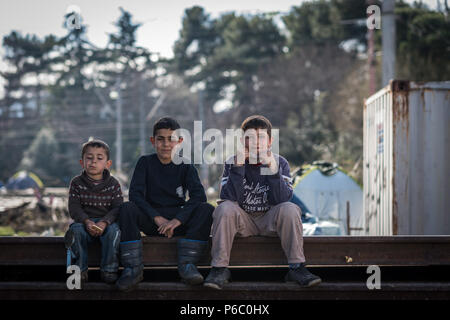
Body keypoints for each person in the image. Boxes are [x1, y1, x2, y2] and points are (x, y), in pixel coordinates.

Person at [203, 115, 322, 290]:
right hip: (243, 221)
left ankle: (297, 267)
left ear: (270, 141)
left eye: (261, 137)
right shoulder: (232, 161)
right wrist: (238, 168)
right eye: (250, 137)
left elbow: (281, 199)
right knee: (224, 208)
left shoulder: (280, 162)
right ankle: (219, 269)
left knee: (290, 208)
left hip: (269, 219)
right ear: (243, 141)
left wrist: (272, 170)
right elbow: (229, 197)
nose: (255, 142)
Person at [116, 117, 214, 292]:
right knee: (127, 208)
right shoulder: (145, 163)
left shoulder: (185, 165)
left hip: (178, 223)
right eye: (161, 139)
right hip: (153, 222)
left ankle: (188, 265)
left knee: (206, 209)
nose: (166, 144)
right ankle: (133, 268)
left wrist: (178, 220)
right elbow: (135, 195)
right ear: (153, 141)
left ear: (180, 142)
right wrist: (157, 218)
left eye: (171, 139)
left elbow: (199, 197)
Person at [66, 139, 123, 284]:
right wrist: (86, 221)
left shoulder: (113, 184)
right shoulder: (76, 183)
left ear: (107, 163)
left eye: (99, 158)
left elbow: (117, 208)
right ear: (82, 162)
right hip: (84, 223)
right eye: (89, 158)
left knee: (115, 232)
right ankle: (80, 270)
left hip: (107, 223)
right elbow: (74, 207)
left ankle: (109, 270)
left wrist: (105, 222)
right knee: (74, 231)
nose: (93, 162)